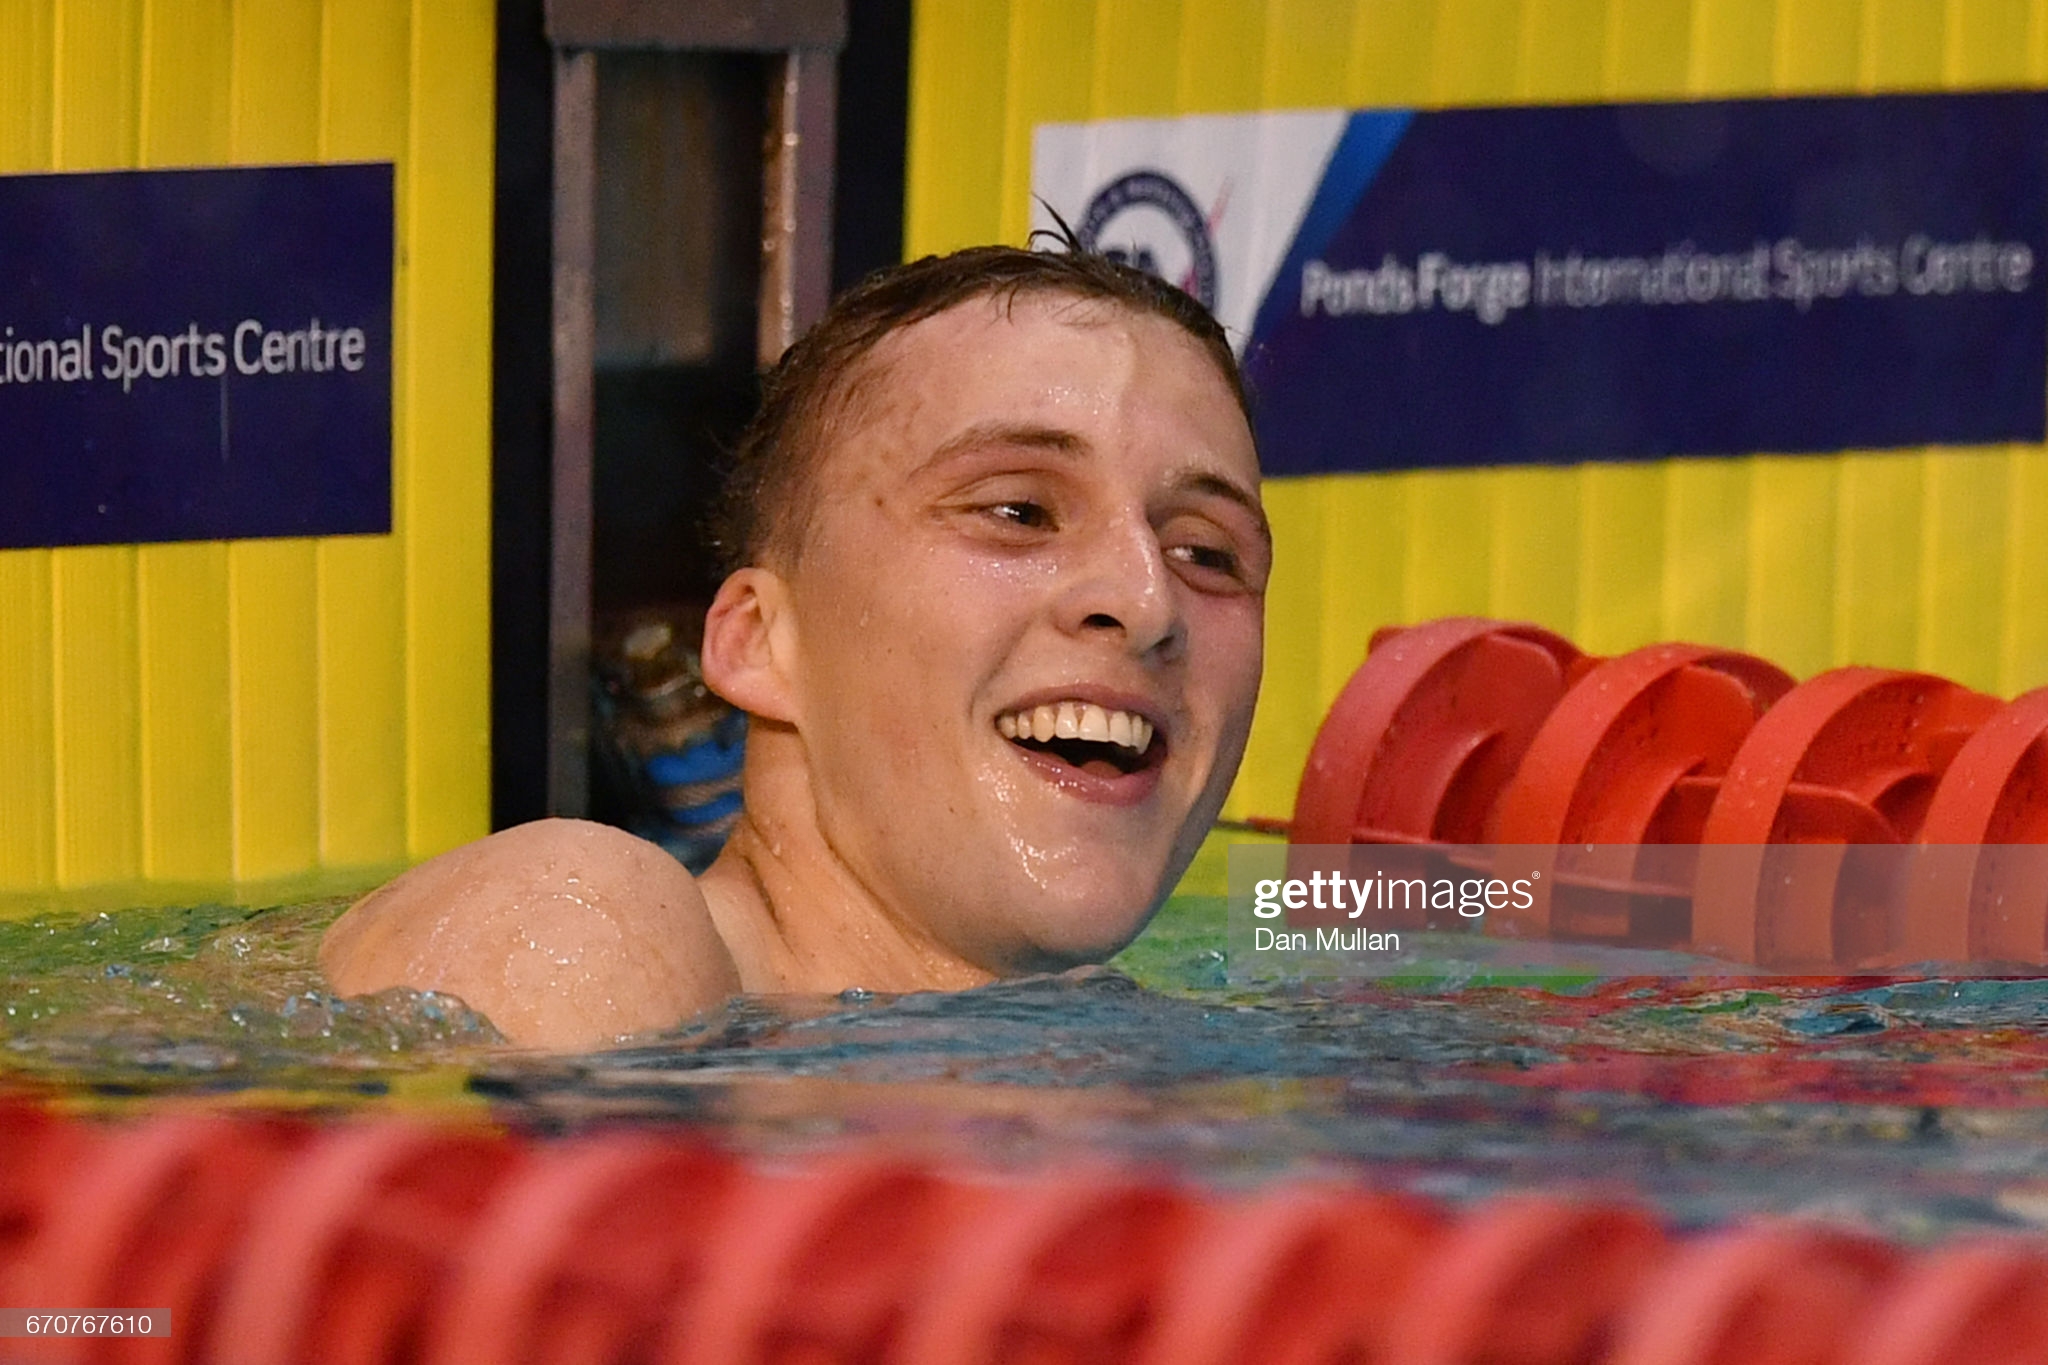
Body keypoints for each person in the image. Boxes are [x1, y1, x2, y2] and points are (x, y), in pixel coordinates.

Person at [319, 244, 1272, 1049]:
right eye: (1018, 511)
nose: (1150, 602)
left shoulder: (1126, 1048)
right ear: (761, 643)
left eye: (1207, 553)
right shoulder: (582, 922)